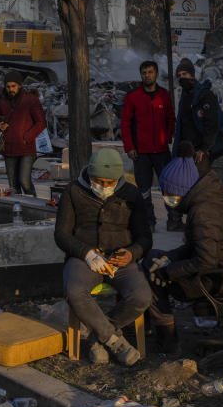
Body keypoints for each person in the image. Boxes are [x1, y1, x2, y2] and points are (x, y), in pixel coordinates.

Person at [54, 148, 152, 366]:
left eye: (110, 182)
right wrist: (85, 253)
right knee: (74, 291)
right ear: (90, 175)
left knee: (142, 296)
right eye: (99, 181)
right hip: (84, 259)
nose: (105, 187)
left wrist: (131, 253)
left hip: (121, 260)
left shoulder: (131, 194)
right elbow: (61, 234)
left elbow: (145, 237)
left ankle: (96, 338)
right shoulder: (73, 192)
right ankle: (115, 342)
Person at [146, 147, 223, 350]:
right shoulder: (208, 199)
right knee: (154, 258)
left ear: (181, 191)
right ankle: (158, 330)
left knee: (151, 272)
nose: (165, 198)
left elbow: (205, 260)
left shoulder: (202, 212)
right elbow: (195, 246)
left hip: (216, 281)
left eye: (168, 193)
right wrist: (169, 258)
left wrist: (168, 273)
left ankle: (168, 340)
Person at [120, 60, 174, 228]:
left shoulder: (164, 96)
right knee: (144, 190)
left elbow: (171, 119)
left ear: (156, 74)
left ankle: (174, 220)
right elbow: (125, 124)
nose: (147, 75)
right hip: (140, 152)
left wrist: (168, 138)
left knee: (169, 187)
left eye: (150, 72)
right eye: (144, 72)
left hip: (161, 151)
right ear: (141, 75)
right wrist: (129, 147)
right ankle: (149, 221)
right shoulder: (132, 97)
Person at [0, 71, 47, 197]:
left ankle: (34, 205)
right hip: (9, 148)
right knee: (13, 186)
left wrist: (27, 137)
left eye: (13, 86)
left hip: (26, 148)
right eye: (8, 86)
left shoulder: (31, 100)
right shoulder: (3, 102)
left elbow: (41, 122)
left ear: (20, 85)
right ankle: (17, 211)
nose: (11, 89)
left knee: (24, 181)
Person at [172, 59, 223, 162]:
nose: (182, 77)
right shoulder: (184, 96)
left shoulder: (204, 95)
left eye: (185, 74)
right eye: (179, 75)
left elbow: (212, 124)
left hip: (201, 152)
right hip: (187, 150)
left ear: (192, 75)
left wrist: (205, 148)